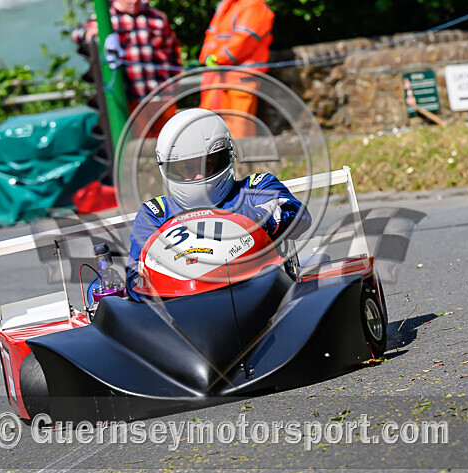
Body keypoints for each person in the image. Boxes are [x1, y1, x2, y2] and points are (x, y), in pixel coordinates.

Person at [126, 108, 310, 291]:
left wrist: (255, 219)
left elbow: (299, 216)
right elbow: (136, 280)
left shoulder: (255, 188)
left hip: (259, 291)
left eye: (208, 164)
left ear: (226, 157)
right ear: (168, 168)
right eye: (186, 168)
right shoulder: (156, 213)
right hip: (184, 304)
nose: (198, 176)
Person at [72, 0, 181, 136]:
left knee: (169, 139)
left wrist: (174, 84)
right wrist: (89, 32)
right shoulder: (107, 19)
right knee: (139, 147)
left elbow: (173, 52)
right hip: (131, 98)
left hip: (161, 97)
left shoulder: (157, 18)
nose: (133, 1)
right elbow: (77, 34)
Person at [198, 0, 275, 138]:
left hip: (242, 77)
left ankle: (242, 159)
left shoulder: (253, 5)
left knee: (239, 126)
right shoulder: (226, 5)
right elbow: (211, 33)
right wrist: (208, 56)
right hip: (219, 76)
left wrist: (218, 58)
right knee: (213, 124)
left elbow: (245, 39)